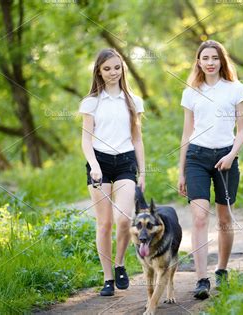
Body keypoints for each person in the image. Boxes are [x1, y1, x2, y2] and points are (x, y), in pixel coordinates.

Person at [177, 40, 243, 299]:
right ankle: (201, 279)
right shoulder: (191, 92)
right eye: (204, 58)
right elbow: (186, 133)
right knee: (198, 217)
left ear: (221, 61)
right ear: (198, 61)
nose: (209, 62)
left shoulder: (236, 89)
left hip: (226, 158)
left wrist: (231, 155)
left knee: (224, 219)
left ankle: (221, 269)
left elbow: (242, 131)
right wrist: (181, 170)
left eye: (214, 58)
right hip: (196, 156)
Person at [79, 48, 145, 296]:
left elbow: (138, 139)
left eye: (117, 67)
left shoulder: (133, 101)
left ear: (122, 69)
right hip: (99, 164)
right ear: (99, 71)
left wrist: (143, 172)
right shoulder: (91, 102)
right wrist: (94, 166)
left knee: (124, 219)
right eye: (107, 68)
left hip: (126, 161)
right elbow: (86, 140)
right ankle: (108, 279)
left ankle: (120, 264)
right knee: (104, 223)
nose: (113, 72)